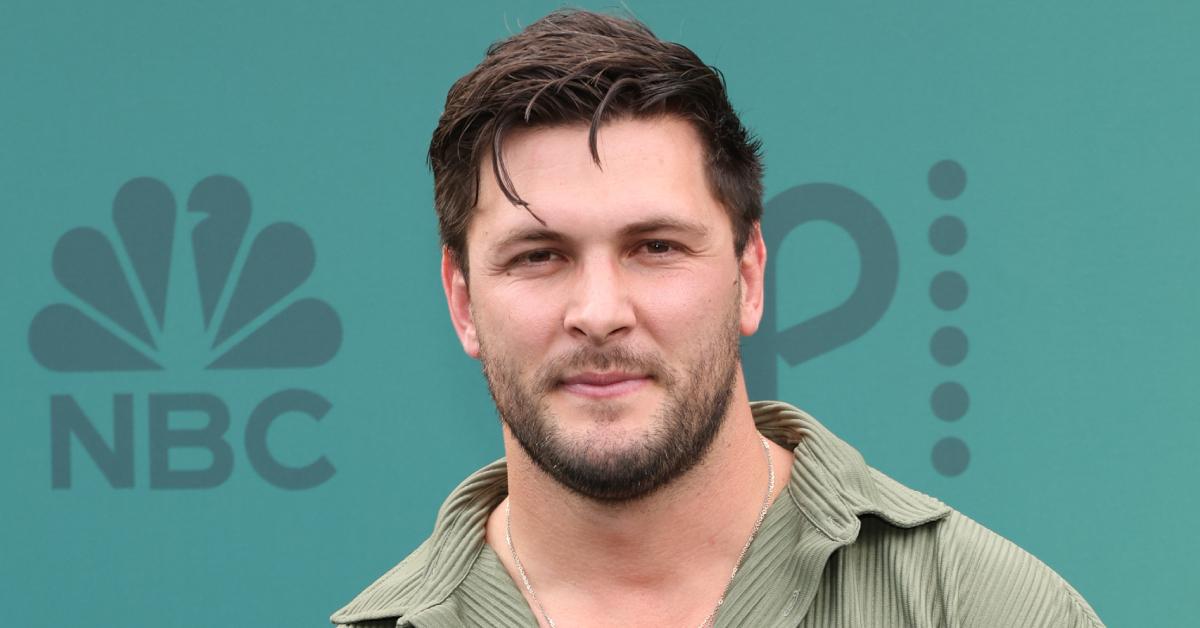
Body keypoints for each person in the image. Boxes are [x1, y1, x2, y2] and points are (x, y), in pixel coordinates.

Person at [332, 9, 1103, 628]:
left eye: (655, 246)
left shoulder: (981, 610)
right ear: (463, 302)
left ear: (748, 275)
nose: (599, 314)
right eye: (539, 256)